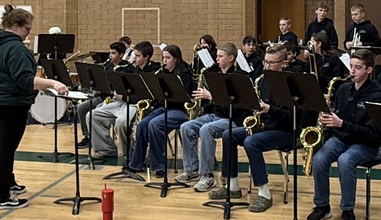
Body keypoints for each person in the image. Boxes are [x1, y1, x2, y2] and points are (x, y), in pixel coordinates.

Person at [0, 6, 67, 210]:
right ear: (16, 26)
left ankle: (9, 183)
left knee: (4, 147)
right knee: (5, 151)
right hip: (8, 105)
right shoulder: (16, 48)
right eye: (27, 28)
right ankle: (1, 197)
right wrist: (52, 83)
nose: (30, 32)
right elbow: (24, 80)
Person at [306, 50, 381, 220]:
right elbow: (339, 118)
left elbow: (373, 133)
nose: (352, 71)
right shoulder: (343, 89)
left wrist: (341, 123)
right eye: (351, 66)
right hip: (342, 138)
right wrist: (329, 120)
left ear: (369, 70)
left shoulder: (376, 95)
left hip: (365, 144)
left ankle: (348, 211)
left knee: (345, 161)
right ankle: (322, 206)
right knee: (319, 159)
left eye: (358, 68)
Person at [211, 43, 295, 211]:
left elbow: (292, 118)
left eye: (272, 63)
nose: (267, 66)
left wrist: (270, 109)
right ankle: (232, 186)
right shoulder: (263, 81)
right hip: (266, 127)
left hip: (286, 131)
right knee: (228, 135)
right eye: (266, 62)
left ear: (283, 63)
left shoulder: (291, 84)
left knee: (251, 142)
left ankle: (264, 193)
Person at [177, 42, 247, 192]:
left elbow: (237, 104)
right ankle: (191, 169)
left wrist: (211, 96)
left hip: (233, 119)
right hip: (215, 115)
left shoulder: (239, 77)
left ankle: (207, 175)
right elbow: (215, 105)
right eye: (217, 56)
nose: (217, 59)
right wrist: (201, 106)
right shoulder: (217, 75)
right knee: (186, 127)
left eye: (220, 56)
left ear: (231, 58)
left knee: (206, 130)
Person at [126, 44, 193, 178]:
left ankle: (158, 166)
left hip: (180, 110)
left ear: (176, 59)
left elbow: (186, 98)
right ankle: (136, 163)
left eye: (168, 58)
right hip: (164, 107)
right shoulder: (162, 73)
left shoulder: (185, 74)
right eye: (163, 58)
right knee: (143, 124)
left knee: (155, 124)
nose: (164, 61)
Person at [90, 40, 159, 161]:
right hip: (123, 102)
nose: (134, 58)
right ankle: (106, 149)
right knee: (93, 115)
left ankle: (128, 155)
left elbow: (145, 96)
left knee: (121, 122)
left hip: (136, 104)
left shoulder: (153, 72)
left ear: (147, 57)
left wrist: (124, 96)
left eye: (137, 56)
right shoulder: (134, 69)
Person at [77, 41, 127, 155]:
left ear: (121, 55)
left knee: (96, 110)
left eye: (113, 53)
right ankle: (88, 136)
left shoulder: (125, 68)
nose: (110, 56)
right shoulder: (108, 65)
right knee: (81, 107)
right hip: (103, 96)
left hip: (113, 99)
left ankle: (105, 144)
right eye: (110, 53)